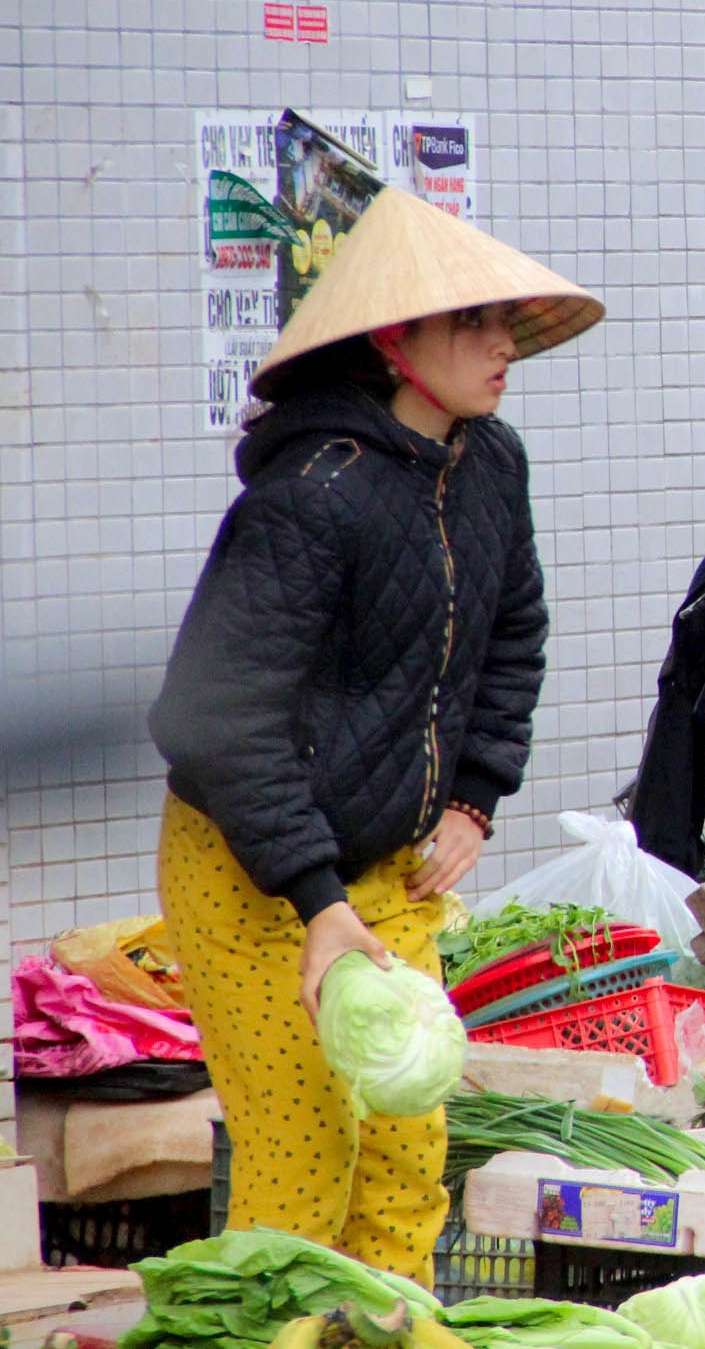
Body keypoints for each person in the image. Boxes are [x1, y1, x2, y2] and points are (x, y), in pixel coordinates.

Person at [148, 187, 602, 1283]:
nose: (504, 347)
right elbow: (208, 721)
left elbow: (514, 634)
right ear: (396, 342)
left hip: (390, 867)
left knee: (407, 1157)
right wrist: (318, 902)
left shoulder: (491, 464)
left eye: (507, 322)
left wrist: (475, 797)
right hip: (256, 879)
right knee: (306, 1160)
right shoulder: (312, 498)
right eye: (473, 324)